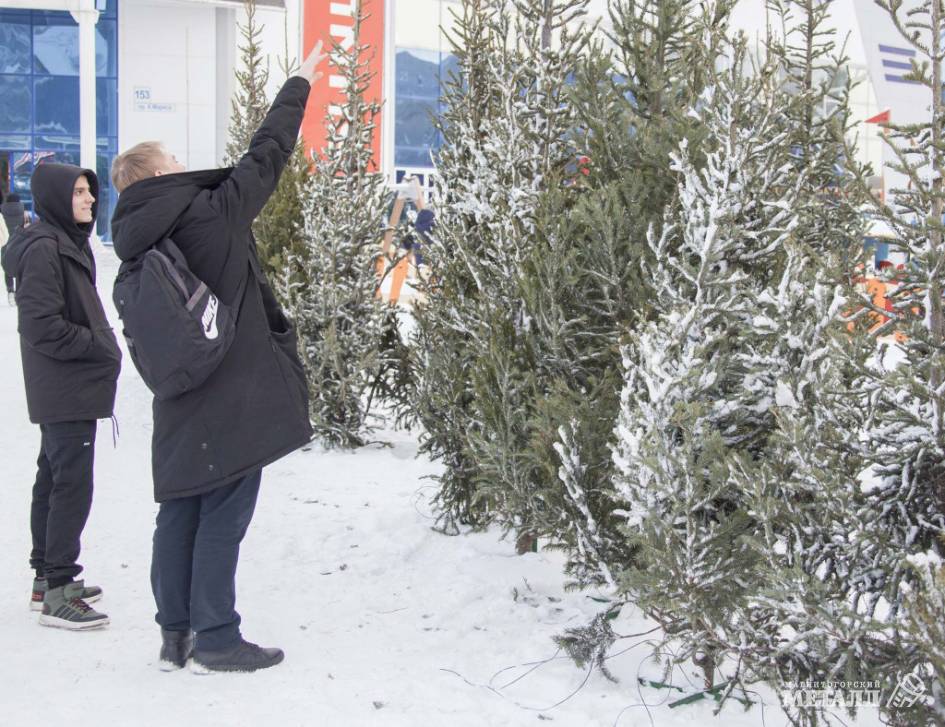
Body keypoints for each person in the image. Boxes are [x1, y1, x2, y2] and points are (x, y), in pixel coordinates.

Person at [108, 42, 325, 673]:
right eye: (172, 159)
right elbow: (267, 155)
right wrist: (297, 84)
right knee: (223, 514)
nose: (183, 163)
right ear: (152, 175)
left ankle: (175, 635)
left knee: (180, 511)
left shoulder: (131, 248)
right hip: (232, 394)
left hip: (179, 397)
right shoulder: (208, 213)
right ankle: (218, 638)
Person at [0, 164, 122, 629]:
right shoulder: (45, 249)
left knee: (52, 478)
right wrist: (97, 344)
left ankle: (44, 578)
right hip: (65, 385)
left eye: (89, 191)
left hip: (66, 385)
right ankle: (59, 589)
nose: (90, 199)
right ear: (54, 197)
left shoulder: (64, 243)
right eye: (78, 192)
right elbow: (39, 325)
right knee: (71, 484)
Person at [1, 192, 30, 304]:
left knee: (7, 266)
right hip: (20, 242)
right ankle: (18, 293)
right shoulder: (23, 211)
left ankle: (10, 292)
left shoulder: (1, 211)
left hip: (5, 242)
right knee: (19, 267)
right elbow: (27, 226)